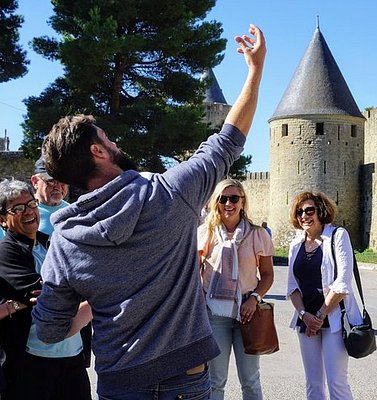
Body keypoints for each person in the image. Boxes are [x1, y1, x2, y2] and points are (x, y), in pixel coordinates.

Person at [32, 24, 266, 400]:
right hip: (185, 379)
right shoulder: (169, 193)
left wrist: (98, 302)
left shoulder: (65, 239)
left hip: (118, 383)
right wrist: (255, 73)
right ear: (98, 152)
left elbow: (49, 329)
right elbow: (226, 142)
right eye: (106, 137)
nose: (114, 139)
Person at [0, 178, 92, 400]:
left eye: (31, 204)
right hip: (34, 362)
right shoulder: (7, 252)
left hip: (72, 356)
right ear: (3, 220)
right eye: (18, 208)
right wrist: (82, 287)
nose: (28, 211)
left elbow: (79, 279)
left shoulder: (49, 242)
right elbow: (47, 295)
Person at [198, 179, 274, 400]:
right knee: (215, 380)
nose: (228, 203)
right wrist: (201, 302)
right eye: (223, 199)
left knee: (250, 379)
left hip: (248, 311)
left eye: (234, 198)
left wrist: (255, 299)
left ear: (243, 201)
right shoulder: (206, 233)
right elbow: (194, 272)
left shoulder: (258, 234)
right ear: (216, 203)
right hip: (214, 313)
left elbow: (267, 275)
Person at [287, 191, 363, 400]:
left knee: (337, 381)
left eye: (309, 210)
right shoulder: (296, 244)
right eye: (300, 211)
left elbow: (341, 283)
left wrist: (319, 316)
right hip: (306, 321)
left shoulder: (338, 236)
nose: (304, 215)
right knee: (313, 383)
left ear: (320, 211)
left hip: (332, 319)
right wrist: (305, 315)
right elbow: (292, 287)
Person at [30, 155, 70, 237]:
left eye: (63, 181)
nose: (58, 187)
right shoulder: (23, 212)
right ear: (35, 182)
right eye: (51, 181)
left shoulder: (72, 212)